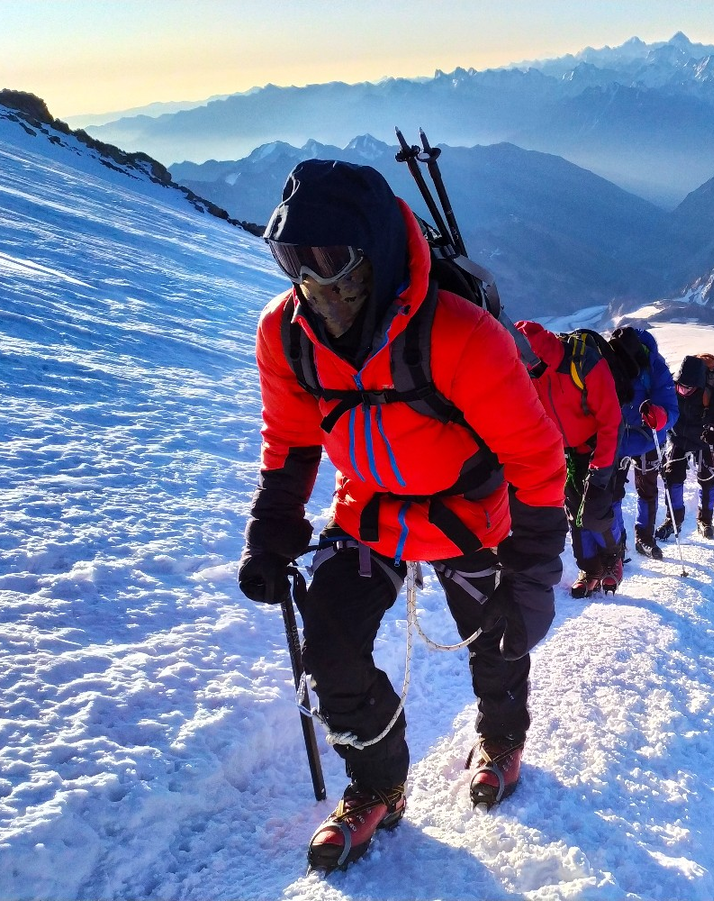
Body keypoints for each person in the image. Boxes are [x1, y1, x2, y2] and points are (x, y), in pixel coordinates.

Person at [237, 160, 567, 871]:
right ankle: (378, 783)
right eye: (294, 259)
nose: (313, 281)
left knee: (500, 636)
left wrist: (533, 575)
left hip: (466, 513)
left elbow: (538, 458)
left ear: (376, 254)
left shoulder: (462, 336)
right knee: (328, 645)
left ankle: (501, 739)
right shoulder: (285, 335)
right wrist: (273, 527)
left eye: (332, 259)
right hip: (370, 512)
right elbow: (292, 441)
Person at [516, 322, 623, 597]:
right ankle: (590, 567)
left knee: (596, 510)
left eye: (532, 368)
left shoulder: (582, 362)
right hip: (564, 451)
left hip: (600, 443)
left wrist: (599, 473)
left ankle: (613, 557)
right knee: (574, 511)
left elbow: (611, 421)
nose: (530, 375)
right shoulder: (522, 370)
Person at [610, 326, 678, 567]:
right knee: (616, 492)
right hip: (624, 437)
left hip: (644, 437)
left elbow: (671, 410)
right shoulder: (614, 361)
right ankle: (622, 542)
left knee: (642, 490)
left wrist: (659, 416)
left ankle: (638, 539)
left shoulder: (655, 368)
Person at [656, 354, 714, 543]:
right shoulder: (674, 385)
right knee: (672, 476)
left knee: (707, 479)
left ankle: (705, 520)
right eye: (680, 386)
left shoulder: (712, 389)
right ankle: (673, 519)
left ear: (698, 385)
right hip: (679, 437)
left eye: (687, 388)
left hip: (703, 438)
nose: (683, 391)